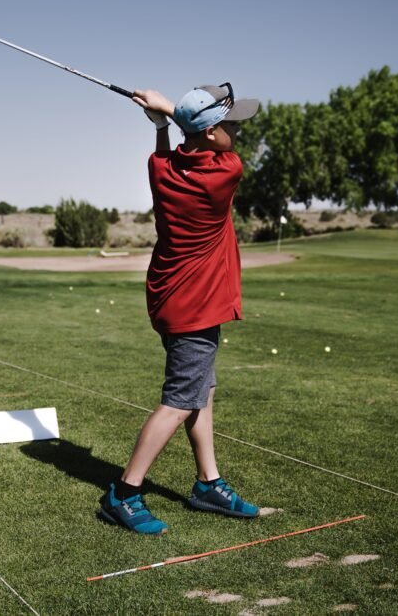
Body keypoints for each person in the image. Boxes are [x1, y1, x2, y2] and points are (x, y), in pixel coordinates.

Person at [98, 83, 261, 535]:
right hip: (196, 305)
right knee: (179, 400)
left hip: (173, 297)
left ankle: (208, 482)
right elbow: (202, 143)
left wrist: (159, 127)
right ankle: (124, 492)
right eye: (229, 125)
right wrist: (166, 111)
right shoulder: (224, 173)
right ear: (209, 134)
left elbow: (167, 153)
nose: (235, 132)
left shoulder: (162, 167)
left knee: (200, 392)